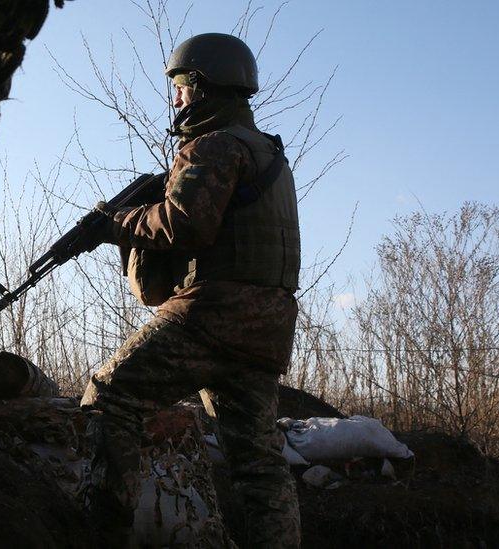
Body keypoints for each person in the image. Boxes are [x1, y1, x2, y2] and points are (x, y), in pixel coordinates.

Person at [78, 33, 302, 548]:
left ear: (202, 86)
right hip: (267, 327)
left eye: (180, 87)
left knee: (110, 395)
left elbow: (184, 223)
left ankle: (100, 530)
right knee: (258, 464)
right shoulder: (269, 153)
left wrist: (120, 222)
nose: (176, 98)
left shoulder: (214, 145)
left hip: (212, 315)